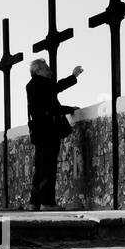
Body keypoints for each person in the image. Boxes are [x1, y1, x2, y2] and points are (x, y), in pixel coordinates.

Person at [26, 57, 83, 210]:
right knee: (48, 167)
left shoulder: (31, 85)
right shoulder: (41, 84)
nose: (49, 71)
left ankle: (34, 202)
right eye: (46, 68)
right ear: (37, 70)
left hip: (38, 131)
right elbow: (55, 94)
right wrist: (74, 76)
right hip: (48, 130)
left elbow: (46, 104)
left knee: (39, 167)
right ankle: (47, 202)